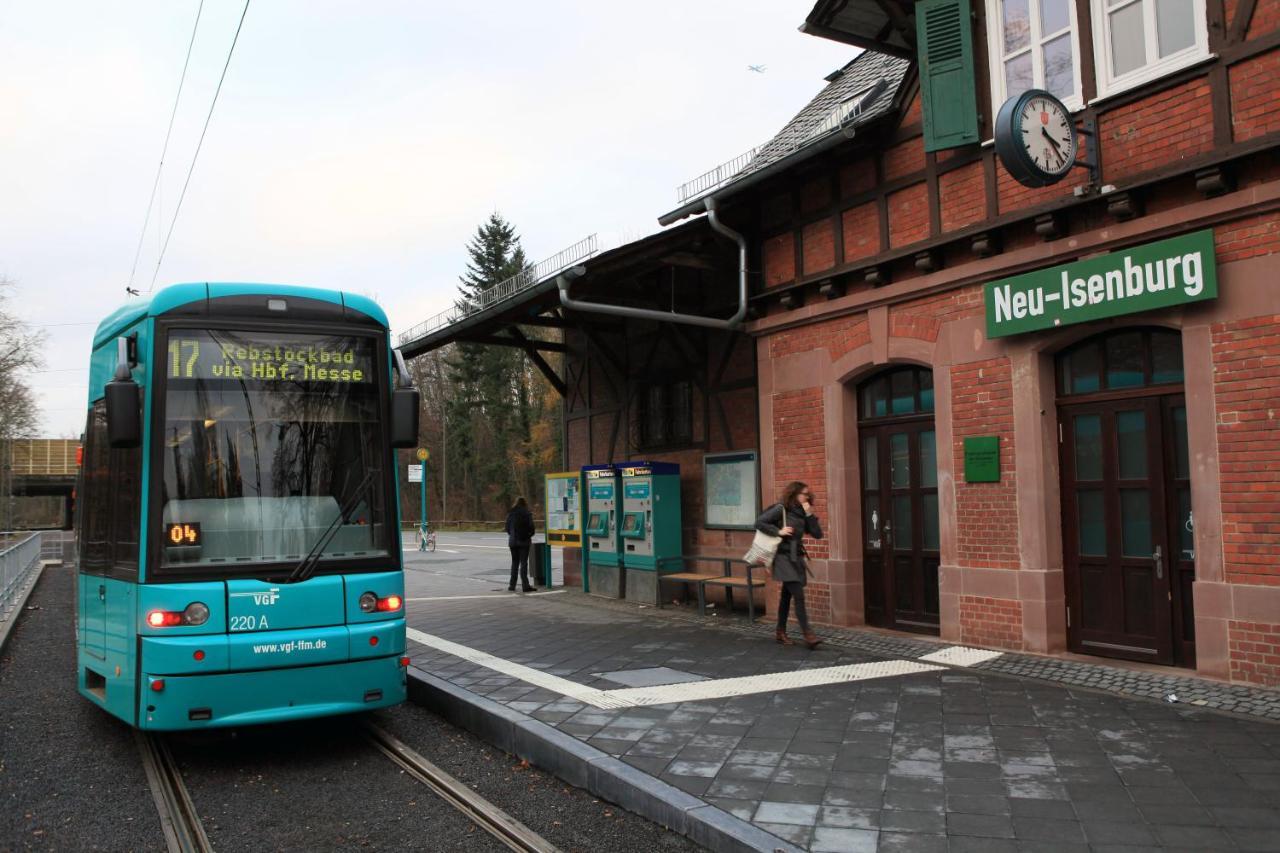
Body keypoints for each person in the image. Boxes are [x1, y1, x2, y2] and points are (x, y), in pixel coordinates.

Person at [755, 481, 824, 649]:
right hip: (783, 557)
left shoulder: (802, 513)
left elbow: (817, 534)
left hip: (796, 557)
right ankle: (808, 634)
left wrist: (809, 514)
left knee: (787, 596)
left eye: (808, 494)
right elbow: (759, 522)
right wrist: (779, 531)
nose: (807, 497)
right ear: (794, 494)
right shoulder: (781, 509)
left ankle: (780, 631)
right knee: (798, 595)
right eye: (804, 494)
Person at [505, 497, 536, 592]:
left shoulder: (511, 513)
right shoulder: (527, 513)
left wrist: (513, 535)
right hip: (523, 542)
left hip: (512, 542)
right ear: (525, 504)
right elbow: (532, 528)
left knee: (514, 563)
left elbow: (507, 528)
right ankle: (525, 585)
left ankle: (512, 585)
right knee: (523, 563)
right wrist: (528, 535)